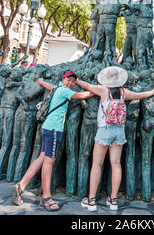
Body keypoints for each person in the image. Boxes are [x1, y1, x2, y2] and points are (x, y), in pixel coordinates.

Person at [76, 66, 154, 212]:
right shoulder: (124, 92)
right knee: (116, 163)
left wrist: (77, 79)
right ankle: (114, 199)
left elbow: (87, 86)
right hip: (119, 131)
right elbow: (141, 95)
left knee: (97, 164)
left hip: (105, 130)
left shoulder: (103, 90)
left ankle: (91, 201)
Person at [11, 71, 93, 211]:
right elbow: (82, 95)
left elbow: (50, 86)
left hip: (47, 127)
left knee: (42, 158)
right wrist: (97, 89)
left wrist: (41, 82)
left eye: (74, 81)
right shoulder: (65, 91)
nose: (71, 83)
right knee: (49, 161)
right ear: (63, 79)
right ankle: (46, 197)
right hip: (54, 130)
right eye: (69, 80)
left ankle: (21, 185)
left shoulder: (57, 88)